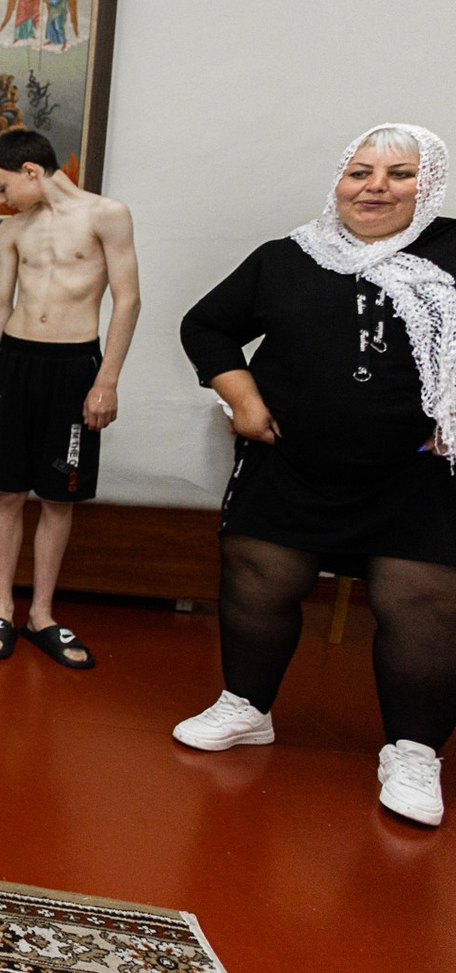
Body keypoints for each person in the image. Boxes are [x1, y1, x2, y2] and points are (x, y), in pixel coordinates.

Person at [176, 123, 454, 829]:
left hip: (419, 475)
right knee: (256, 578)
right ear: (340, 181)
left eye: (399, 174)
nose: (375, 187)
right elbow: (206, 326)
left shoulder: (453, 250)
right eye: (360, 172)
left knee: (424, 605)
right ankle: (246, 707)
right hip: (291, 463)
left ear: (429, 184)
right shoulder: (287, 256)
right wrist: (242, 399)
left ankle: (414, 751)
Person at [0, 129, 140, 668]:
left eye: (2, 188)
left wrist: (107, 380)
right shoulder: (12, 228)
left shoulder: (107, 215)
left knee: (58, 496)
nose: (2, 201)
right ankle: (1, 607)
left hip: (74, 367)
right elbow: (1, 302)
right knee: (6, 490)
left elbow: (128, 300)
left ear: (30, 171)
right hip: (16, 361)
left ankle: (41, 614)